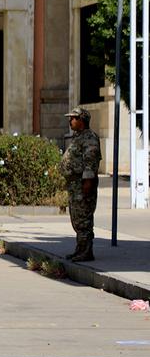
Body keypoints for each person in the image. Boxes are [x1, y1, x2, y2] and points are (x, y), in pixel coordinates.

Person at [59, 107, 101, 262]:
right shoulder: (79, 137)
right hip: (75, 185)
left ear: (81, 120)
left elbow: (91, 162)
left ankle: (86, 251)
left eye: (73, 118)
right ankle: (80, 249)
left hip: (83, 184)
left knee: (83, 219)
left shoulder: (89, 137)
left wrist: (88, 182)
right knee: (77, 218)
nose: (70, 121)